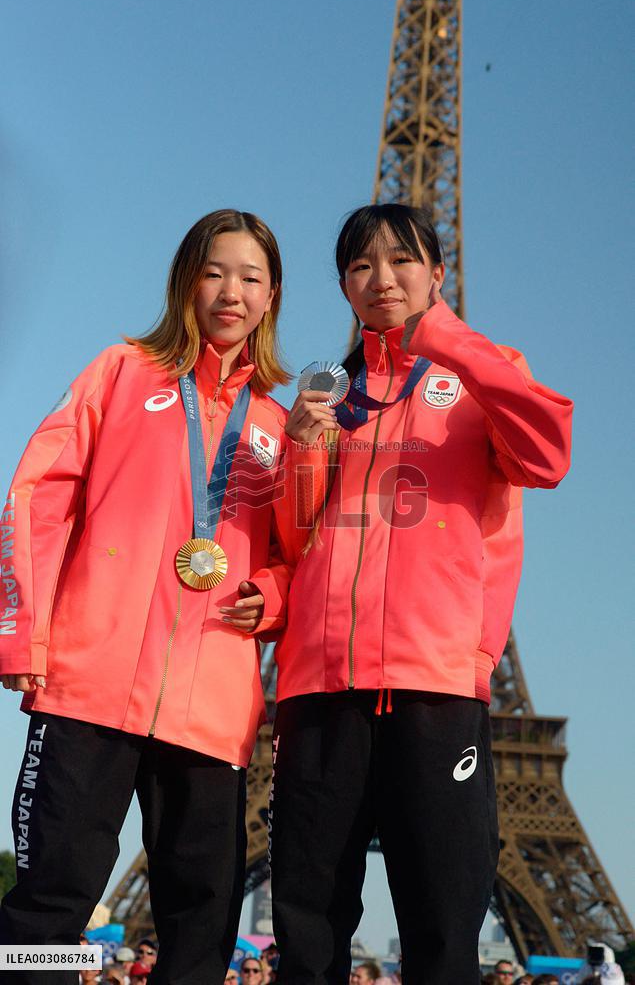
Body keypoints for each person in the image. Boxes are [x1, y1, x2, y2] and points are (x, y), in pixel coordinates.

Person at [0, 209, 306, 985]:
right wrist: (22, 633)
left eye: (250, 277)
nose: (230, 291)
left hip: (210, 706)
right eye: (214, 271)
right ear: (184, 282)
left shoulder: (277, 425)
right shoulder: (121, 371)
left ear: (272, 296)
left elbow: (296, 555)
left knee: (200, 922)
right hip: (87, 688)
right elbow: (38, 498)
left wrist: (270, 596)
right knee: (47, 904)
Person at [270, 203, 573, 985]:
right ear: (343, 285)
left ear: (438, 275)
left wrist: (448, 341)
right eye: (362, 265)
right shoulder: (322, 394)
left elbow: (546, 456)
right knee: (306, 921)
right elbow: (292, 539)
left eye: (402, 260)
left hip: (434, 681)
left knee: (443, 924)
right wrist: (301, 451)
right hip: (320, 685)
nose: (383, 278)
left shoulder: (482, 374)